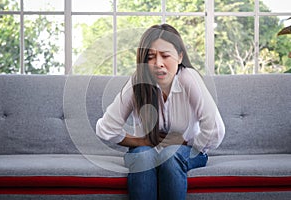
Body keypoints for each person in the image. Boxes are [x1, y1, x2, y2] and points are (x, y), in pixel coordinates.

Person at [96, 23, 225, 200]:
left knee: (169, 156)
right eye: (150, 57)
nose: (158, 64)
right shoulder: (138, 82)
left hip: (185, 152)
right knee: (143, 156)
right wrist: (142, 140)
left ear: (180, 57)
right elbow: (105, 128)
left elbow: (216, 130)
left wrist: (186, 141)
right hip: (145, 152)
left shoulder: (189, 78)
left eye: (165, 56)